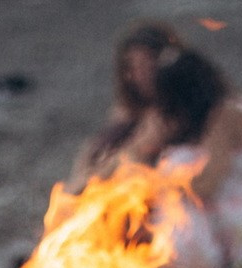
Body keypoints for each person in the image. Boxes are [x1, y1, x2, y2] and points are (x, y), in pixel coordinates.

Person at [85, 42, 242, 268]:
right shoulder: (232, 108)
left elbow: (207, 185)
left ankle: (187, 265)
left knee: (179, 172)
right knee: (174, 173)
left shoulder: (227, 117)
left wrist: (159, 181)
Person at [71, 21, 183, 188]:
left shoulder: (177, 110)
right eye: (134, 67)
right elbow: (96, 147)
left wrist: (83, 185)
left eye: (148, 64)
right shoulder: (129, 109)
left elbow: (137, 151)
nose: (142, 75)